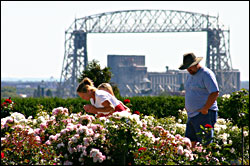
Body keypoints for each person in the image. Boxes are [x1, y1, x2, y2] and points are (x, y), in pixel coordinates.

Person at [178, 52, 219, 148]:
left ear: (196, 64)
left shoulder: (206, 74)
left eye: (190, 66)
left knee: (205, 143)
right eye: (187, 68)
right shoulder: (190, 75)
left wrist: (205, 108)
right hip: (192, 115)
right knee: (189, 143)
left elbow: (214, 92)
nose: (189, 69)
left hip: (203, 114)